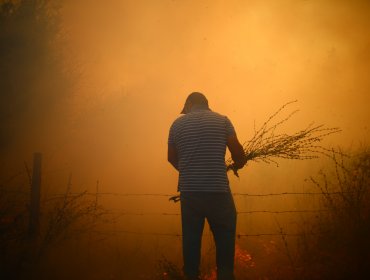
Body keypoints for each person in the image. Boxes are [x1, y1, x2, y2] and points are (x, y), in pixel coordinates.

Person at [167, 92, 247, 280]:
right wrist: (239, 163)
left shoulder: (176, 125)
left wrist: (188, 170)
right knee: (225, 237)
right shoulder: (223, 121)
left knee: (191, 240)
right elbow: (237, 151)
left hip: (190, 192)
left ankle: (191, 276)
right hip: (217, 191)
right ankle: (225, 275)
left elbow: (171, 157)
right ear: (206, 104)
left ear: (189, 105)